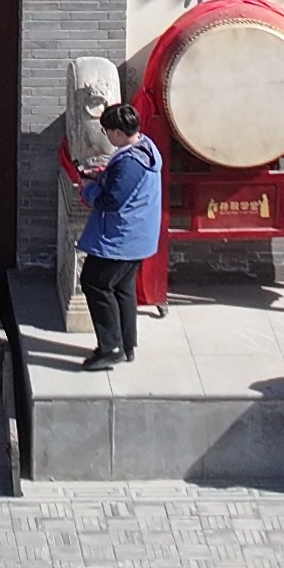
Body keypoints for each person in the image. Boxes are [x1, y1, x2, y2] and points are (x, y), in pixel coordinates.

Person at [70, 102, 162, 368]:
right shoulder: (146, 148)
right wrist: (101, 177)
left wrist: (88, 188)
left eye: (107, 131)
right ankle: (126, 344)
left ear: (119, 133)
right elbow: (123, 185)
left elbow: (111, 201)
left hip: (121, 239)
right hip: (138, 237)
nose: (106, 136)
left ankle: (111, 348)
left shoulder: (130, 162)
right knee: (122, 287)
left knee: (95, 282)